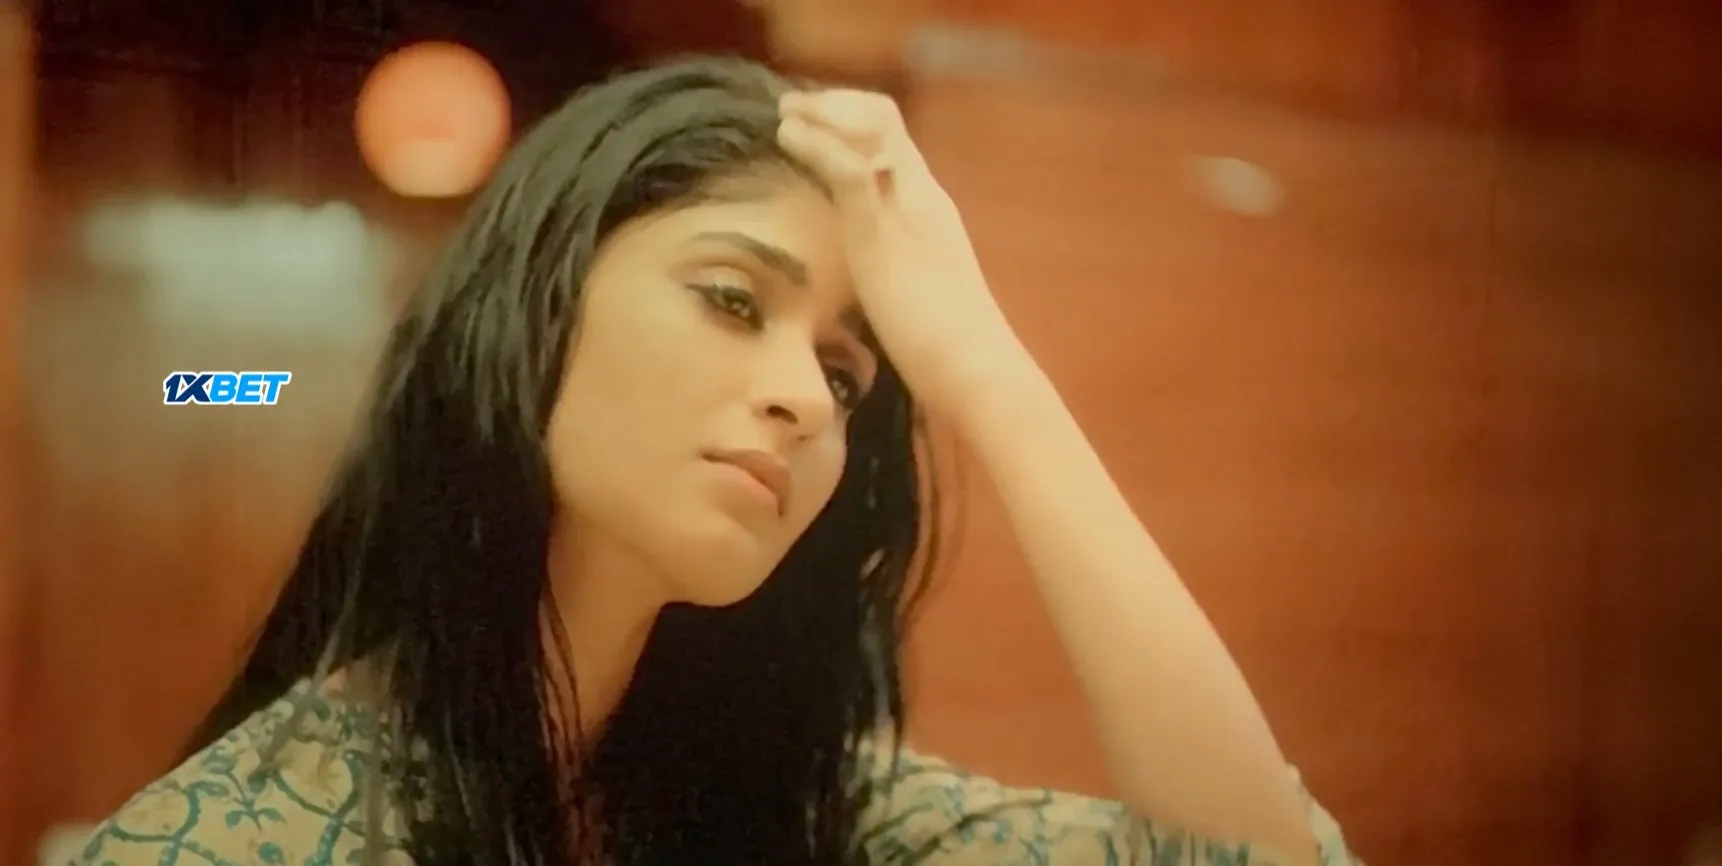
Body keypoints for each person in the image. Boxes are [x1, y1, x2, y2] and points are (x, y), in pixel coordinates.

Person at [70, 57, 1359, 865]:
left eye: (846, 376)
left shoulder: (811, 811)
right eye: (734, 300)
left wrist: (988, 372)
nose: (803, 398)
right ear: (539, 303)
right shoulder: (240, 839)